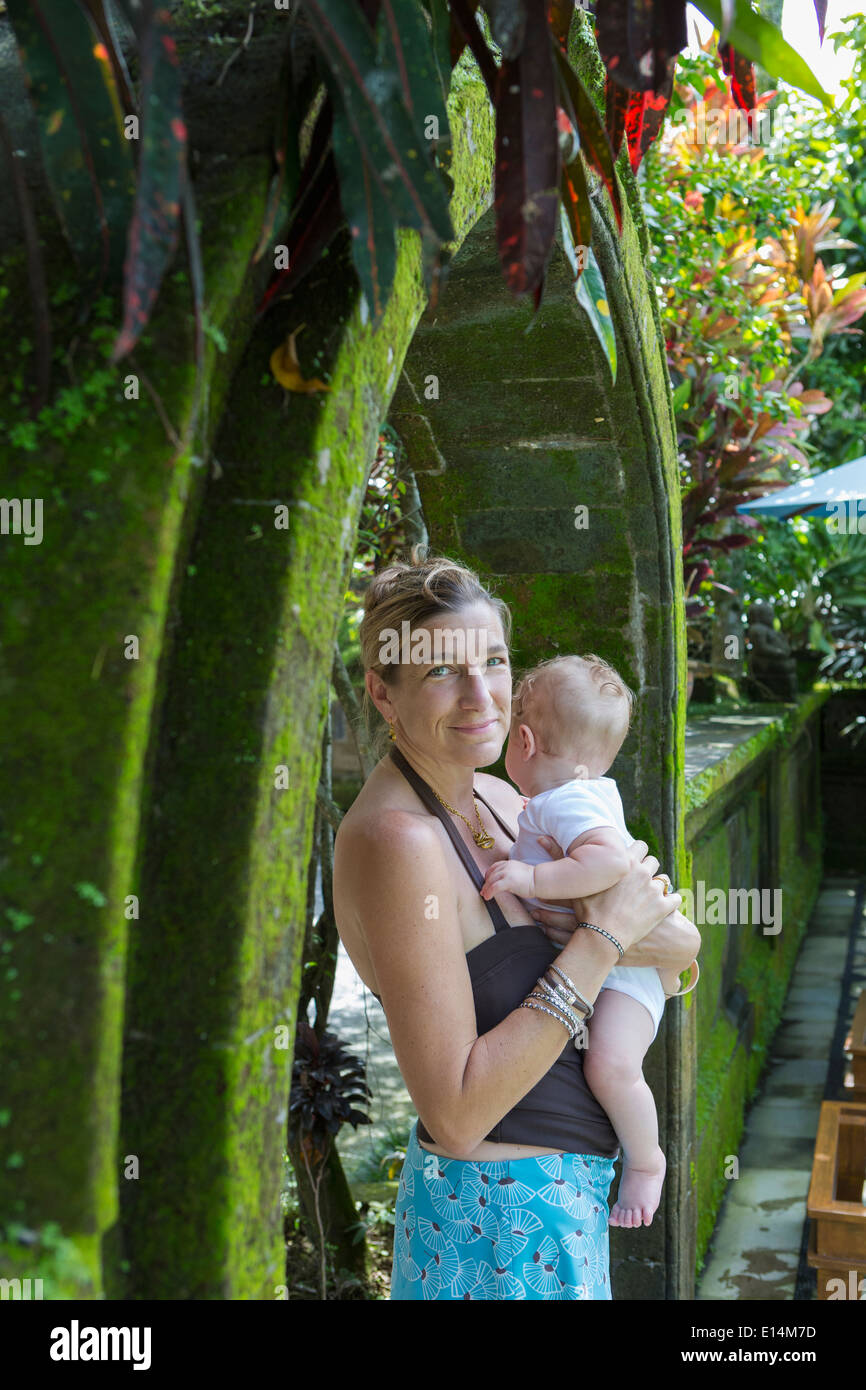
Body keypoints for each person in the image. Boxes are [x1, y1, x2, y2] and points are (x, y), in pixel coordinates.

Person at [332, 549, 701, 1301]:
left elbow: (675, 937)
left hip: (559, 1212)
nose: (482, 696)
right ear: (383, 692)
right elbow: (460, 1114)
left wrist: (642, 929)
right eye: (442, 671)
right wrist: (603, 937)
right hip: (494, 1229)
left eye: (494, 662)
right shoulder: (396, 841)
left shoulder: (506, 801)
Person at [481, 653, 700, 1232]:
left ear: (523, 740)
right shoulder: (561, 800)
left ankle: (648, 1162)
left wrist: (532, 879)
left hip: (628, 975)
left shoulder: (567, 803)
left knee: (611, 1067)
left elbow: (604, 864)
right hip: (622, 962)